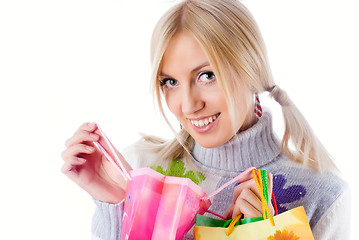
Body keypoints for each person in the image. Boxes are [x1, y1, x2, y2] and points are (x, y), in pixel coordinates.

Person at [61, 0, 350, 239]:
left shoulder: (323, 195)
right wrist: (119, 205)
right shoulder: (140, 168)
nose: (188, 105)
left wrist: (265, 233)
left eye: (207, 76)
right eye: (170, 82)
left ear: (251, 68)